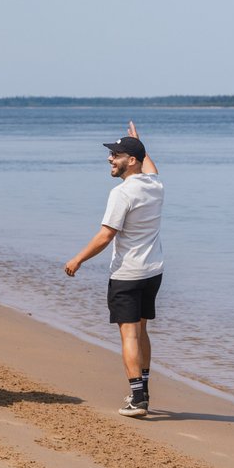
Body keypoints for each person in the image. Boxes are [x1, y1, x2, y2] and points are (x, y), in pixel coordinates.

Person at [64, 121, 162, 417]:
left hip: (128, 274)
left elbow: (106, 235)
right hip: (153, 271)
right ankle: (143, 388)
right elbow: (151, 168)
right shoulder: (155, 185)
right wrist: (139, 143)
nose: (110, 158)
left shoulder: (122, 193)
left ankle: (137, 398)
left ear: (131, 161)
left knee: (129, 335)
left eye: (116, 154)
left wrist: (77, 259)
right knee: (142, 330)